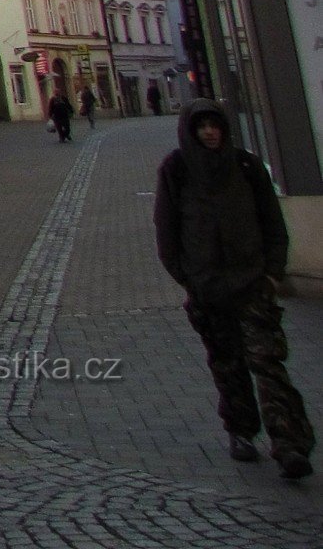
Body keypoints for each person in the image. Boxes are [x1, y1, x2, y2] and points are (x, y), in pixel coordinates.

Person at [154, 100, 314, 481]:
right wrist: (189, 279)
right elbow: (167, 233)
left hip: (252, 285)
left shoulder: (246, 167)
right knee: (228, 363)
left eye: (215, 125)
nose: (210, 132)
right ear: (190, 132)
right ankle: (241, 430)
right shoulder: (176, 170)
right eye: (202, 127)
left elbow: (272, 224)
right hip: (208, 290)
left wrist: (272, 274)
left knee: (268, 363)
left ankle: (289, 443)